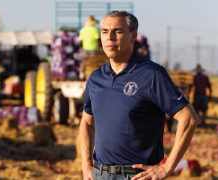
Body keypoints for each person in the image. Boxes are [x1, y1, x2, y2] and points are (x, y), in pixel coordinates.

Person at [80, 10, 200, 180]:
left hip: (136, 176)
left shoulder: (151, 74)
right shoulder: (95, 78)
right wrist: (86, 166)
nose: (110, 37)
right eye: (105, 31)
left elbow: (189, 119)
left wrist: (166, 168)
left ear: (133, 36)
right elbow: (87, 122)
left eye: (118, 31)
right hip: (100, 174)